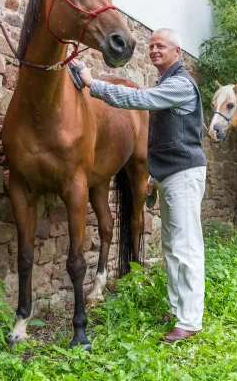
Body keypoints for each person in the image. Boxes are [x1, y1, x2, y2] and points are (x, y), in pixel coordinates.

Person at [69, 28, 207, 343]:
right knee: (173, 246)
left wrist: (93, 84)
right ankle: (177, 310)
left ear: (178, 51)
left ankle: (190, 320)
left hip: (184, 175)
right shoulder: (168, 83)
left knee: (186, 248)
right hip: (173, 175)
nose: (154, 50)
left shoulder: (181, 85)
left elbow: (138, 99)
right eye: (152, 45)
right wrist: (155, 179)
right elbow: (171, 139)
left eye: (162, 46)